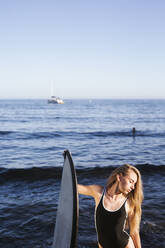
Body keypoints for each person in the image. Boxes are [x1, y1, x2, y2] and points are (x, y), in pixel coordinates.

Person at [78, 164, 143, 248]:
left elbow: (134, 233)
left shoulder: (129, 203)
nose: (133, 187)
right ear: (119, 177)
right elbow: (75, 187)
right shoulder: (98, 193)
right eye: (131, 181)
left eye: (134, 184)